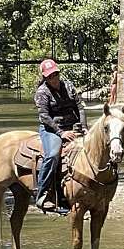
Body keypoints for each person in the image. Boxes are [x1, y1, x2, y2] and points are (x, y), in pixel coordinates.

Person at [34, 59, 87, 211]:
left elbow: (80, 107)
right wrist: (61, 132)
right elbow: (44, 117)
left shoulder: (68, 86)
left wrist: (83, 127)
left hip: (73, 126)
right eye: (50, 76)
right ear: (45, 78)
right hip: (52, 129)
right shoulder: (42, 93)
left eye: (56, 74)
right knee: (52, 155)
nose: (54, 78)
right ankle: (43, 194)